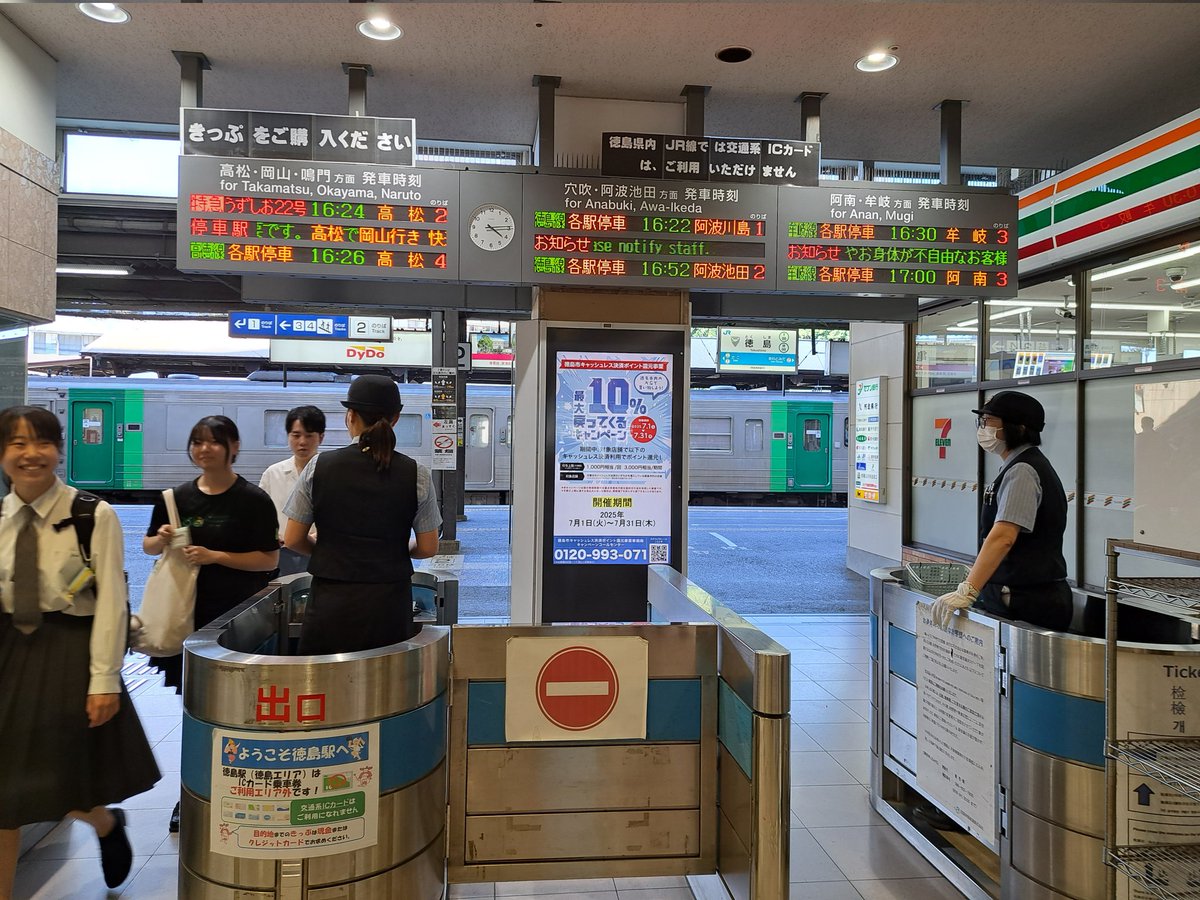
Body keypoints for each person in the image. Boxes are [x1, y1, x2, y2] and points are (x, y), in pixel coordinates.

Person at [0, 406, 160, 896]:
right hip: (8, 653)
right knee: (7, 791)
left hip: (68, 653)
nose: (30, 454)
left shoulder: (92, 515)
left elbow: (111, 601)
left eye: (42, 442)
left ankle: (104, 823)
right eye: (17, 443)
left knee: (52, 775)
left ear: (59, 449)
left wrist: (104, 679)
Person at [143, 415, 279, 832]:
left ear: (233, 447)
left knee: (243, 711)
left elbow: (269, 560)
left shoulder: (253, 500)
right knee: (196, 711)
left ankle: (244, 790)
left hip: (239, 623)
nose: (204, 449)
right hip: (188, 620)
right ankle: (193, 794)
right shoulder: (176, 497)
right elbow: (148, 546)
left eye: (213, 442)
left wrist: (215, 556)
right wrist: (162, 538)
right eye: (197, 441)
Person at [284, 375, 441, 654]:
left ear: (351, 416)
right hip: (389, 605)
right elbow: (428, 547)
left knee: (326, 686)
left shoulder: (320, 466)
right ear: (395, 419)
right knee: (386, 689)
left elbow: (293, 538)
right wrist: (397, 549)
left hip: (331, 604)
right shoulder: (416, 474)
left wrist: (329, 550)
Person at [932, 391, 1073, 632]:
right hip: (1025, 594)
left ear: (1017, 428)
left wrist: (968, 589)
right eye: (982, 422)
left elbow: (1004, 536)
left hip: (1028, 600)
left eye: (989, 422)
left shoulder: (1023, 471)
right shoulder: (1018, 466)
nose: (983, 428)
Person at [258, 405, 325, 576]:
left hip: (317, 551)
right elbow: (260, 515)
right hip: (280, 554)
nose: (302, 442)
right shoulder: (273, 473)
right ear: (288, 436)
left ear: (321, 437)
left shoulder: (331, 473)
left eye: (309, 436)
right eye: (296, 435)